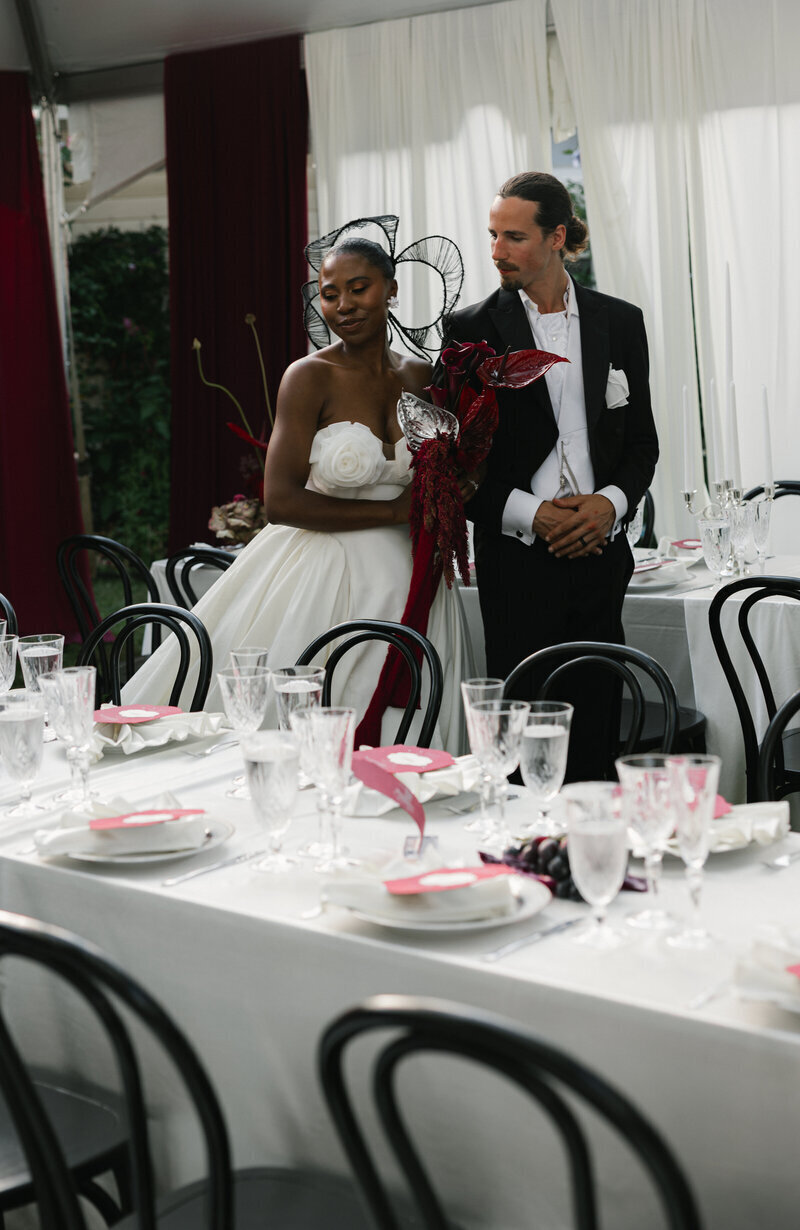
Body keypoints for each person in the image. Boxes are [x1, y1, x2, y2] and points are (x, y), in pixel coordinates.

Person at [122, 232, 474, 753]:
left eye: (360, 288)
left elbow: (450, 464)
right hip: (328, 576)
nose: (344, 305)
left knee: (407, 731)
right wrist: (396, 508)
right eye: (330, 294)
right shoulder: (308, 377)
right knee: (314, 726)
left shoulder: (422, 376)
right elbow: (282, 501)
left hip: (414, 577)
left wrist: (459, 485)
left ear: (392, 289)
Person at [444, 172, 658, 779]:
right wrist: (530, 514)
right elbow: (454, 464)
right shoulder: (469, 332)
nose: (496, 251)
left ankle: (591, 861)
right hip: (515, 562)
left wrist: (609, 506)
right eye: (492, 235)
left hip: (601, 554)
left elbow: (642, 442)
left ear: (557, 235)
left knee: (595, 735)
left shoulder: (620, 321)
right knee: (523, 743)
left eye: (513, 236)